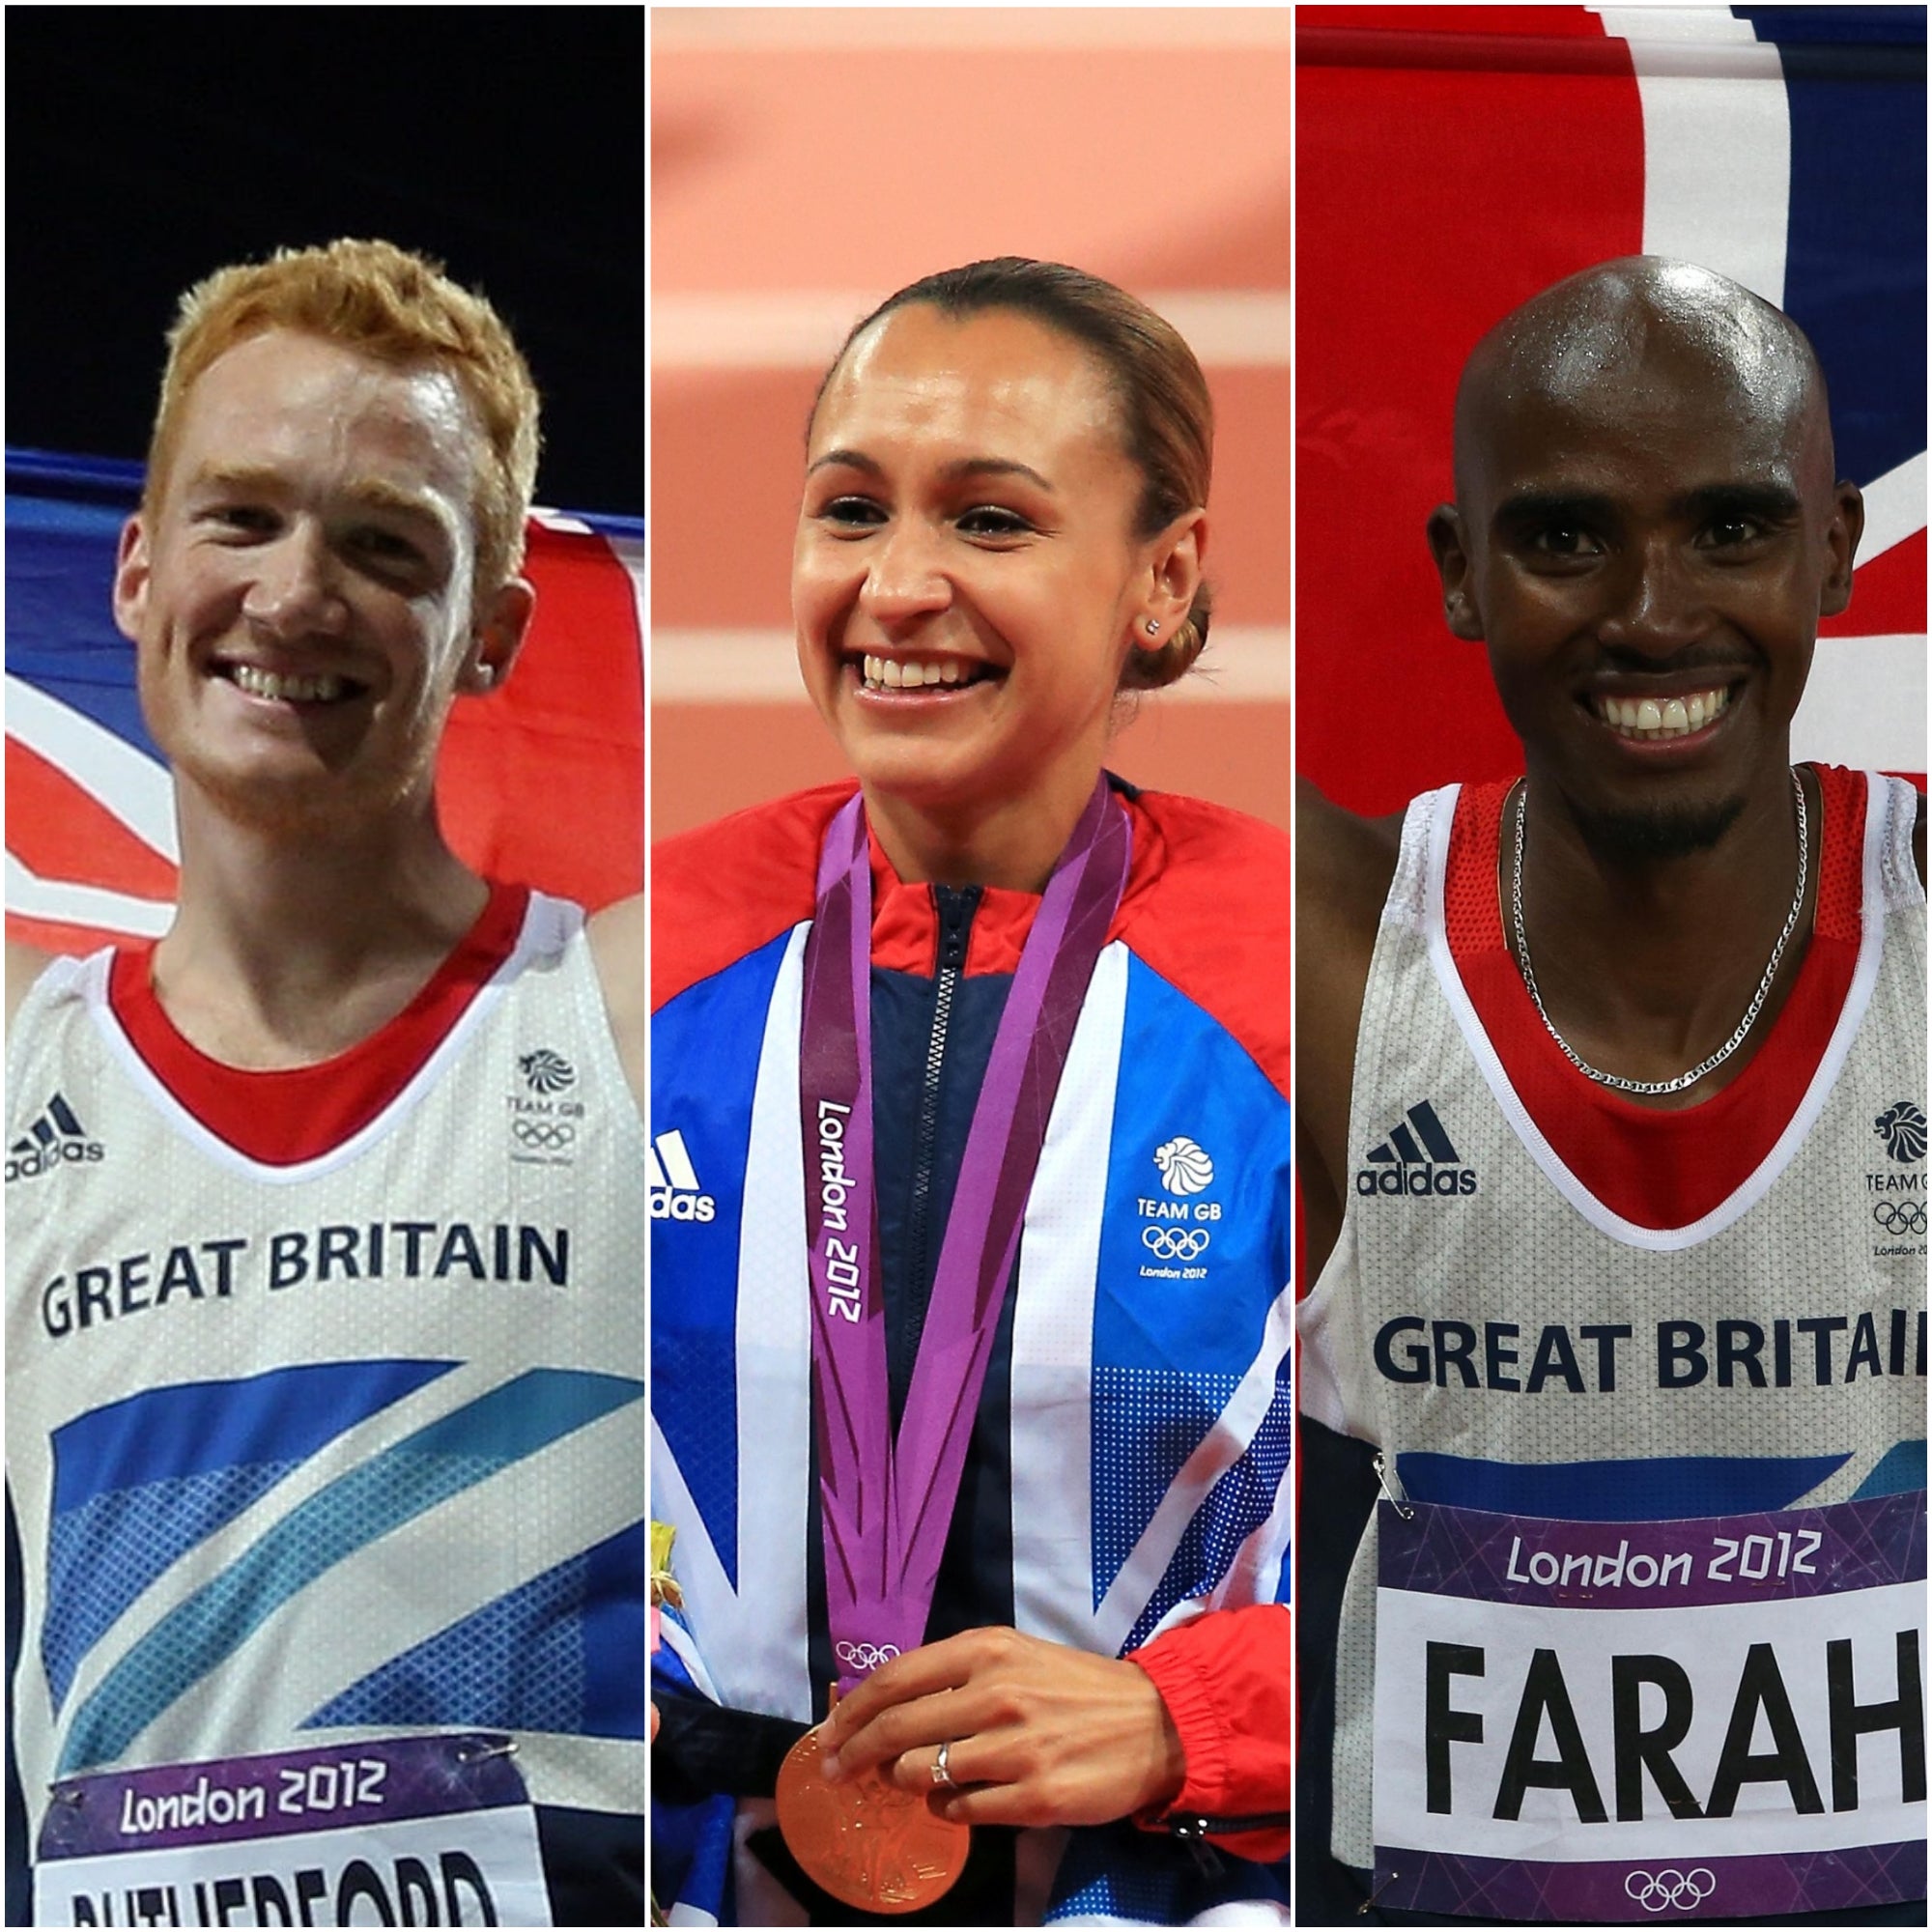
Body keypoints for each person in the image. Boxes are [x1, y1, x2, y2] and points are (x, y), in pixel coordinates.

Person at [4, 240, 646, 1926]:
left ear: (490, 634)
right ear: (135, 572)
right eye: (242, 517)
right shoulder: (22, 1064)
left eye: (383, 546)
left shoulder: (637, 1011)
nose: (296, 594)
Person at [651, 258, 1293, 1925]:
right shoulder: (633, 962)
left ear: (1162, 582)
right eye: (850, 509)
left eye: (993, 523)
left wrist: (1186, 1716)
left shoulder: (1307, 982)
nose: (898, 583)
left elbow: (1490, 1531)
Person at [1296, 257, 1926, 1925]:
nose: (1655, 612)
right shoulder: (1338, 941)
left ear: (1837, 552)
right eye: (1568, 537)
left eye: (1731, 528)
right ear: (1458, 571)